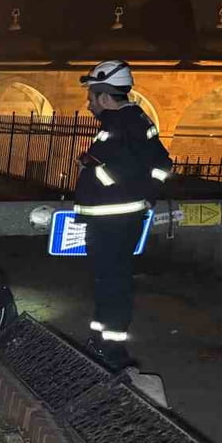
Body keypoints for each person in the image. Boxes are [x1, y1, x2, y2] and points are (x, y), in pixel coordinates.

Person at [74, 60, 173, 369]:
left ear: (105, 97)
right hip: (122, 219)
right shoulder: (136, 121)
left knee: (113, 283)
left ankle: (113, 350)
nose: (89, 104)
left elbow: (120, 172)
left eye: (91, 97)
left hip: (111, 220)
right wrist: (149, 194)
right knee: (109, 281)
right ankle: (100, 340)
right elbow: (162, 164)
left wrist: (90, 167)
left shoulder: (120, 126)